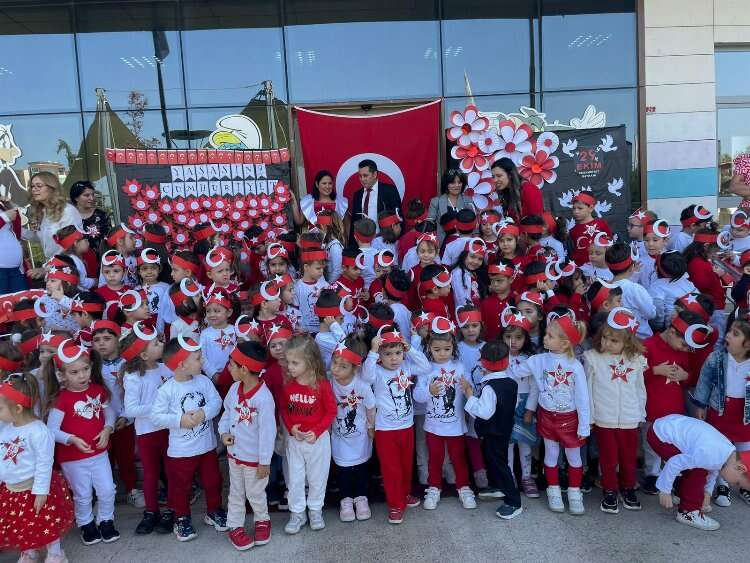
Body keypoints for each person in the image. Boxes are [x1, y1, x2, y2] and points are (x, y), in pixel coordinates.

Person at [151, 336, 226, 542]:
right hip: (181, 452)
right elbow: (156, 417)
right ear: (182, 365)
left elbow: (216, 402)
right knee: (181, 487)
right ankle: (182, 518)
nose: (202, 362)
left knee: (213, 481)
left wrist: (204, 413)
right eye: (198, 358)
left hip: (207, 447)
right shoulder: (167, 390)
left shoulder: (204, 381)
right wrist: (179, 420)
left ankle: (214, 511)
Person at [46, 341, 119, 546]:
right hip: (73, 458)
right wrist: (72, 439)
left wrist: (108, 428)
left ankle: (106, 520)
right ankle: (86, 523)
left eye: (85, 369)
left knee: (107, 489)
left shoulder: (98, 390)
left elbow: (109, 412)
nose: (82, 375)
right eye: (74, 372)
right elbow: (51, 430)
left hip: (99, 453)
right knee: (83, 494)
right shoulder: (61, 399)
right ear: (62, 375)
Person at [519, 314, 590, 515]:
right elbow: (515, 371)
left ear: (565, 343)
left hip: (570, 419)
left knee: (574, 456)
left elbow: (582, 398)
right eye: (546, 334)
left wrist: (584, 424)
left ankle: (574, 492)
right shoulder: (538, 360)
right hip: (547, 417)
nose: (544, 337)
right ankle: (553, 490)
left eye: (550, 336)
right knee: (551, 454)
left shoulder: (575, 366)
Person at [362, 327, 431, 524]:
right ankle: (395, 504)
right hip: (386, 429)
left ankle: (404, 494)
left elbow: (425, 367)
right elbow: (366, 377)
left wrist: (411, 350)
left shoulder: (406, 366)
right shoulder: (376, 371)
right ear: (380, 355)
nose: (394, 358)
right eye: (388, 354)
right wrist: (372, 351)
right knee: (391, 469)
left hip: (406, 426)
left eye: (398, 353)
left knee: (405, 465)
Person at [584, 307, 647, 514]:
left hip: (629, 418)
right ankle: (610, 490)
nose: (607, 343)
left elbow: (639, 389)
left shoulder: (636, 360)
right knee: (608, 458)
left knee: (628, 457)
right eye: (605, 338)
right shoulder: (593, 359)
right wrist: (590, 416)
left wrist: (640, 413)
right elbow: (588, 389)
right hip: (604, 418)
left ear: (627, 342)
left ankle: (628, 488)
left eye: (614, 340)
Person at [647, 414, 750, 531]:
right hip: (660, 435)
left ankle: (682, 495)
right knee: (697, 472)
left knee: (696, 466)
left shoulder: (727, 452)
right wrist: (665, 490)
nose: (732, 485)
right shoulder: (709, 454)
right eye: (737, 483)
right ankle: (688, 512)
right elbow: (674, 462)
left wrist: (707, 492)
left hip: (668, 426)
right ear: (740, 468)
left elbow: (713, 469)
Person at [219, 341, 276, 550]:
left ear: (243, 369)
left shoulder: (264, 398)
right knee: (236, 492)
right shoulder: (234, 388)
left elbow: (268, 433)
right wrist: (223, 432)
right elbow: (227, 413)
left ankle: (262, 520)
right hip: (234, 456)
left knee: (256, 493)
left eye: (231, 364)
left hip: (254, 460)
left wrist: (264, 462)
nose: (228, 368)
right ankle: (234, 525)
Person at [692, 309, 750, 507]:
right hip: (720, 410)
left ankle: (743, 484)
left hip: (744, 413)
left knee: (744, 450)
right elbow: (705, 381)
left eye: (735, 334)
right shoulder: (716, 358)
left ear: (748, 344)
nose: (728, 336)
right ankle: (722, 484)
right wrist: (701, 404)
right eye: (729, 331)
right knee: (720, 448)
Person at [280, 336, 336, 534]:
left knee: (317, 478)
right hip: (296, 441)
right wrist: (291, 428)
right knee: (295, 479)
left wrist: (317, 431)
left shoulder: (322, 385)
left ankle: (315, 510)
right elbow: (284, 409)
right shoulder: (288, 384)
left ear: (310, 361)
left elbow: (331, 411)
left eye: (295, 363)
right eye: (288, 362)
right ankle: (297, 513)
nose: (290, 367)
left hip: (317, 441)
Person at [120, 324, 173, 535]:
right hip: (147, 433)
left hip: (169, 429)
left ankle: (173, 509)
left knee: (171, 470)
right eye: (155, 344)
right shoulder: (133, 377)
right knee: (151, 474)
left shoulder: (165, 369)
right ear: (143, 355)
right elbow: (131, 409)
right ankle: (152, 511)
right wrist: (158, 408)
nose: (160, 344)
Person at [462, 340, 523, 520]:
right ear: (507, 361)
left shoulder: (489, 387)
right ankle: (497, 487)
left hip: (493, 432)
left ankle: (514, 501)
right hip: (503, 430)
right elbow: (514, 404)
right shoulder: (511, 382)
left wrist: (469, 395)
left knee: (499, 464)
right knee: (493, 460)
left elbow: (484, 413)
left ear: (483, 362)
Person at [23, 171, 84, 270]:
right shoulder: (44, 212)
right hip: (53, 268)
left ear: (52, 188)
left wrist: (46, 268)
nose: (34, 189)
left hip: (69, 268)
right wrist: (15, 228)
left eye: (39, 186)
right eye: (32, 186)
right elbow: (42, 237)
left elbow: (70, 246)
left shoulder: (67, 211)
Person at [348, 159, 402, 245]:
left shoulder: (389, 191)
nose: (362, 179)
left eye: (365, 175)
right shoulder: (357, 195)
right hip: (362, 244)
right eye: (360, 176)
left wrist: (394, 241)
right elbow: (354, 221)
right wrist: (352, 245)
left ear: (375, 174)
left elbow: (399, 218)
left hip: (385, 242)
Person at [490, 158, 543, 224]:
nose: (495, 180)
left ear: (510, 175)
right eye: (493, 176)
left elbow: (537, 221)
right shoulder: (507, 191)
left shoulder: (529, 189)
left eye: (499, 176)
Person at [69, 180, 111, 260]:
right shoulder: (69, 217)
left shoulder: (102, 215)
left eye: (93, 194)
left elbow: (108, 240)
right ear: (76, 198)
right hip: (77, 261)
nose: (91, 198)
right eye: (86, 195)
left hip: (101, 261)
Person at [428, 170, 473, 243]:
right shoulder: (435, 202)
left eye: (459, 182)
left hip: (465, 243)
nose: (456, 185)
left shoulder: (468, 200)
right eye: (452, 182)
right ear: (446, 184)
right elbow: (430, 226)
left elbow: (475, 226)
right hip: (442, 243)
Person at [0, 194, 27, 292]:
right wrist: (5, 217)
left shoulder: (1, 206)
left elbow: (17, 229)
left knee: (22, 300)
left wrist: (9, 206)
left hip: (16, 269)